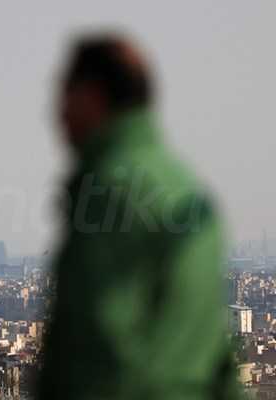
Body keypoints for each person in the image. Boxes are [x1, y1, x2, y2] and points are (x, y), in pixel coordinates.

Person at [38, 34, 238, 400]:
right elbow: (215, 354)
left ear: (92, 97)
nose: (58, 114)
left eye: (65, 95)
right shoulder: (188, 190)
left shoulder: (109, 191)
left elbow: (95, 349)